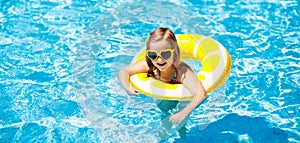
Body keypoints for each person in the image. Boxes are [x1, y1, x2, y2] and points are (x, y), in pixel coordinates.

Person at [118, 27, 207, 138]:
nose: (159, 60)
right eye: (153, 55)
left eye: (165, 54)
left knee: (181, 122)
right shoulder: (150, 66)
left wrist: (183, 113)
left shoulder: (181, 71)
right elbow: (124, 71)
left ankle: (183, 134)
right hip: (165, 96)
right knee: (164, 112)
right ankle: (163, 135)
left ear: (174, 52)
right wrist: (127, 88)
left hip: (183, 97)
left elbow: (200, 94)